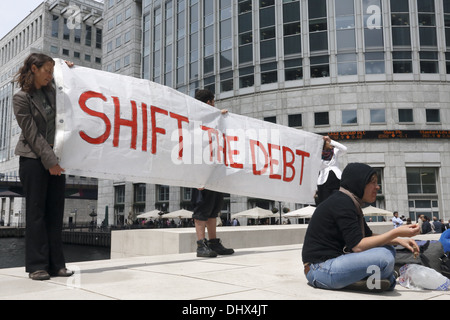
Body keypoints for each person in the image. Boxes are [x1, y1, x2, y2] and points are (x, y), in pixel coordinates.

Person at [302, 163, 420, 292]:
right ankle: (377, 279)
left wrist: (398, 240)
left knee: (388, 248)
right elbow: (358, 246)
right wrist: (395, 232)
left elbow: (367, 236)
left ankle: (367, 279)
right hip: (320, 269)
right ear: (358, 182)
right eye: (373, 182)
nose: (377, 187)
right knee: (384, 257)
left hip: (333, 263)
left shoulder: (351, 202)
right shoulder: (341, 202)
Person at [13, 53, 74, 281]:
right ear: (33, 69)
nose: (50, 74)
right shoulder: (21, 98)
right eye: (46, 70)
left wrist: (66, 69)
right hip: (33, 160)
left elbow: (69, 85)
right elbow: (32, 134)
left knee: (55, 213)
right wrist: (51, 162)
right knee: (36, 214)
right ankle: (37, 266)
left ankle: (57, 265)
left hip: (56, 159)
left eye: (51, 70)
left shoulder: (53, 91)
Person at [191, 89, 234, 258]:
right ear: (209, 102)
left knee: (213, 209)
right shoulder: (195, 118)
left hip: (215, 171)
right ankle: (201, 244)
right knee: (202, 209)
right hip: (202, 171)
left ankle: (213, 242)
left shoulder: (213, 119)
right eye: (213, 102)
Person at [316, 136, 347, 204]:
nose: (330, 144)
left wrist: (331, 141)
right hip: (323, 181)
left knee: (338, 201)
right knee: (325, 203)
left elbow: (344, 149)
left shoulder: (335, 151)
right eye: (328, 142)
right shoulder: (318, 154)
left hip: (336, 179)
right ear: (323, 144)